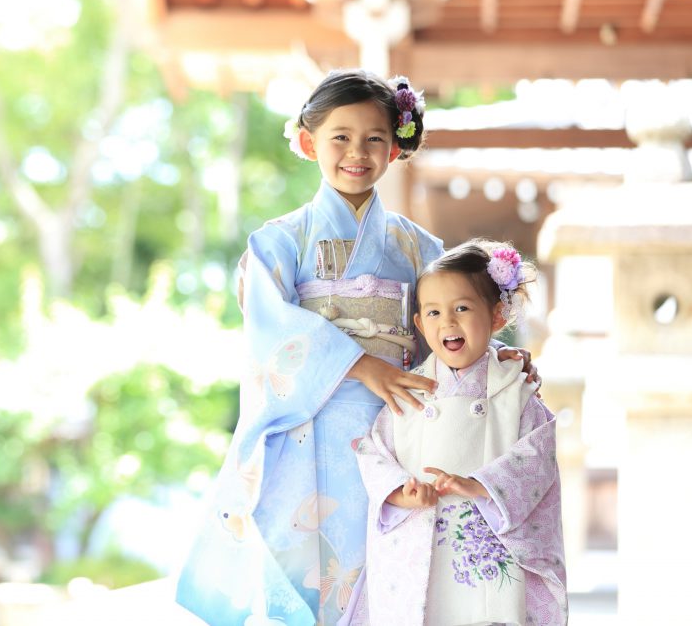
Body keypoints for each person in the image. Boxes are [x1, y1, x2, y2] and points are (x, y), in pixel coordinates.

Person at [175, 69, 537, 626]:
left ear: (395, 147)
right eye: (339, 136)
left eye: (373, 138)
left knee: (396, 574)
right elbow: (270, 331)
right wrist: (360, 363)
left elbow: (444, 328)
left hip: (397, 431)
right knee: (308, 573)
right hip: (306, 430)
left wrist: (491, 356)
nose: (356, 152)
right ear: (307, 142)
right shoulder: (278, 242)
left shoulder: (421, 248)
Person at [341, 239, 567, 626]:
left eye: (462, 308)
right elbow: (373, 450)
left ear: (497, 316)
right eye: (433, 312)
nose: (447, 322)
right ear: (419, 325)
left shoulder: (515, 387)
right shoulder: (408, 388)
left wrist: (480, 485)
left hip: (486, 540)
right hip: (420, 533)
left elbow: (538, 455)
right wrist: (400, 491)